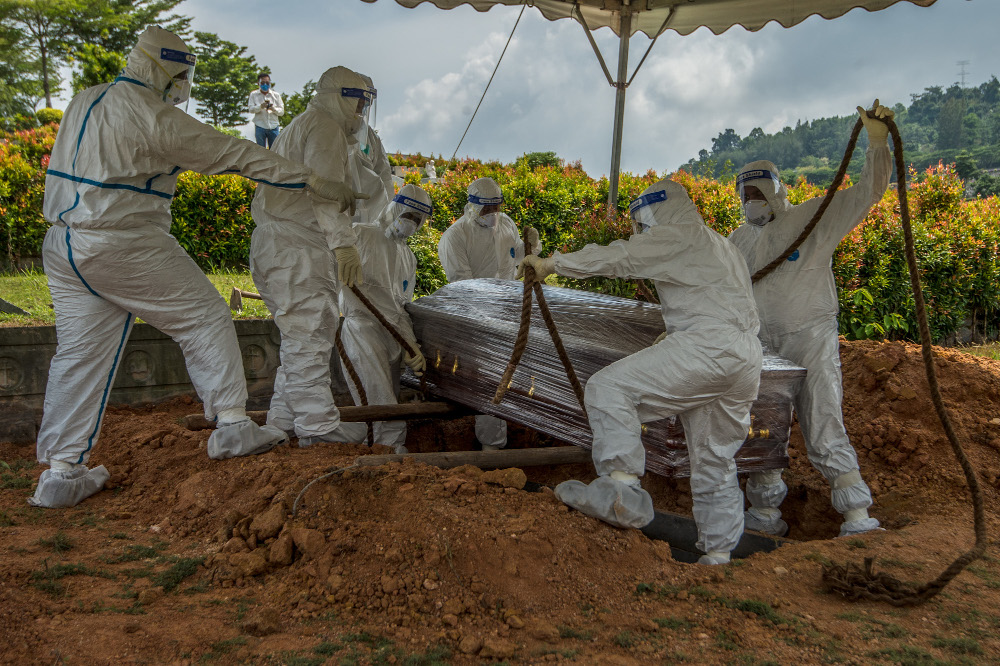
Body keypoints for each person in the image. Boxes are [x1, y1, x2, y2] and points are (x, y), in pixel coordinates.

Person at [31, 27, 362, 509]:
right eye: (182, 73)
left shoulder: (86, 99)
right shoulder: (153, 117)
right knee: (205, 316)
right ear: (168, 68)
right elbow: (232, 154)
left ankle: (61, 474)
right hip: (122, 241)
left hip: (63, 245)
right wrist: (311, 179)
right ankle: (231, 425)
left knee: (79, 356)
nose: (183, 84)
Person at [519, 179, 763, 565]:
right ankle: (718, 556)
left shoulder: (675, 235)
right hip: (746, 357)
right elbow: (719, 297)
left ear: (656, 211)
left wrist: (553, 264)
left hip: (709, 350)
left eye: (642, 219)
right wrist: (679, 330)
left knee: (608, 389)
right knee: (714, 458)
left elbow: (621, 257)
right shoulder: (719, 242)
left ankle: (622, 491)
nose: (641, 229)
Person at [728, 100, 894, 538]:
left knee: (822, 421)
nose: (752, 202)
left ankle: (856, 514)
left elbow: (866, 193)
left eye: (759, 192)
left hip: (810, 338)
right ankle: (764, 516)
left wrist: (876, 143)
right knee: (766, 428)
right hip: (762, 347)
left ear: (776, 192)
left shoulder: (812, 219)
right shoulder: (737, 242)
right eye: (745, 195)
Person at [251, 65, 379, 447]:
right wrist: (344, 244)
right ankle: (318, 427)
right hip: (297, 245)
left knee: (298, 336)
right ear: (340, 97)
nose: (360, 113)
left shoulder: (301, 125)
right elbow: (325, 196)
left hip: (277, 244)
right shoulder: (324, 127)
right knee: (311, 335)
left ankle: (284, 420)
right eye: (357, 103)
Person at [437, 177, 536, 451]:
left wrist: (533, 248)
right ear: (471, 207)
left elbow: (519, 258)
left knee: (508, 375)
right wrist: (489, 315)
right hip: (476, 318)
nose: (492, 214)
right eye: (486, 209)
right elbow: (463, 286)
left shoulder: (506, 224)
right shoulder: (456, 236)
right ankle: (490, 446)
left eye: (496, 207)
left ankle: (504, 437)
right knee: (486, 379)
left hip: (508, 313)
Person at [338, 185, 432, 452]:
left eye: (418, 219)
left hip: (391, 335)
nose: (412, 223)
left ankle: (379, 447)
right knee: (379, 398)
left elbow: (401, 307)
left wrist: (409, 345)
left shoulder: (408, 257)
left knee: (385, 398)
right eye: (409, 214)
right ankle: (390, 454)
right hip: (363, 330)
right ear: (395, 208)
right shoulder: (362, 235)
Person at [348, 74, 394, 228]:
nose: (359, 109)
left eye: (363, 105)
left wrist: (388, 216)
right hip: (337, 215)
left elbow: (385, 175)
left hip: (369, 217)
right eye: (357, 103)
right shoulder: (327, 130)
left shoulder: (371, 137)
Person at [249, 73, 283, 148]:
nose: (265, 85)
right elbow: (251, 109)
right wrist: (260, 107)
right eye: (263, 83)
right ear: (258, 83)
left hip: (273, 126)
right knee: (261, 150)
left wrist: (273, 109)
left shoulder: (276, 95)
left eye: (267, 83)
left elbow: (281, 112)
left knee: (274, 150)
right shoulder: (253, 94)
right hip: (260, 125)